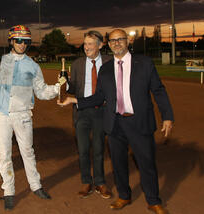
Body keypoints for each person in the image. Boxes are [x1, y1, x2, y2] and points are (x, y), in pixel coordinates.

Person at [58, 29, 173, 214]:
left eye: (120, 39)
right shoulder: (105, 69)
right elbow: (99, 96)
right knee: (119, 164)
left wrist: (167, 116)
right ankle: (124, 196)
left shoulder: (144, 63)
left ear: (127, 41)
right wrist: (75, 100)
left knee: (147, 164)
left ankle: (153, 200)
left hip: (139, 122)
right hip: (115, 123)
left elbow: (158, 90)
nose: (116, 43)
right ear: (109, 45)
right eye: (113, 40)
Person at [0, 25, 66, 210]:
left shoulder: (33, 66)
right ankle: (8, 191)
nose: (22, 44)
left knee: (28, 152)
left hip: (23, 115)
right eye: (18, 40)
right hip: (2, 115)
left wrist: (58, 87)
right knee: (5, 155)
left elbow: (42, 92)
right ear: (11, 41)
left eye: (25, 41)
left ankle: (36, 186)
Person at [67, 31, 112, 199]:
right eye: (85, 44)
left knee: (99, 149)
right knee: (83, 149)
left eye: (90, 44)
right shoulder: (77, 64)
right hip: (81, 112)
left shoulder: (109, 62)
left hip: (101, 111)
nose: (86, 47)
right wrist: (65, 84)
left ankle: (100, 182)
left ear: (100, 45)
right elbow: (72, 88)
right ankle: (86, 181)